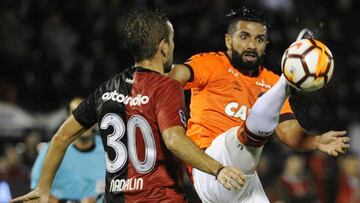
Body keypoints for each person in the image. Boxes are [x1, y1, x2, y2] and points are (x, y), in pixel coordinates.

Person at [11, 8, 245, 203]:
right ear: (163, 47)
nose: (172, 47)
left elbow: (61, 138)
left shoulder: (106, 89)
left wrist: (43, 188)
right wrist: (218, 169)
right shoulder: (166, 87)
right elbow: (174, 140)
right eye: (172, 40)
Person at [169, 7, 350, 202]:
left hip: (244, 178)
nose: (252, 45)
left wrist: (315, 141)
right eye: (244, 37)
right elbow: (172, 78)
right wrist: (148, 80)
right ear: (228, 41)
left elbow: (288, 131)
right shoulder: (210, 64)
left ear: (266, 44)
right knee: (244, 137)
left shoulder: (268, 82)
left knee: (252, 140)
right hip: (210, 165)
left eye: (259, 39)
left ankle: (288, 79)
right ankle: (287, 81)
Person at [31, 97, 105, 203]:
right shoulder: (51, 150)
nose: (85, 121)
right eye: (78, 115)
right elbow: (36, 195)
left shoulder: (109, 148)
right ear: (67, 120)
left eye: (89, 114)